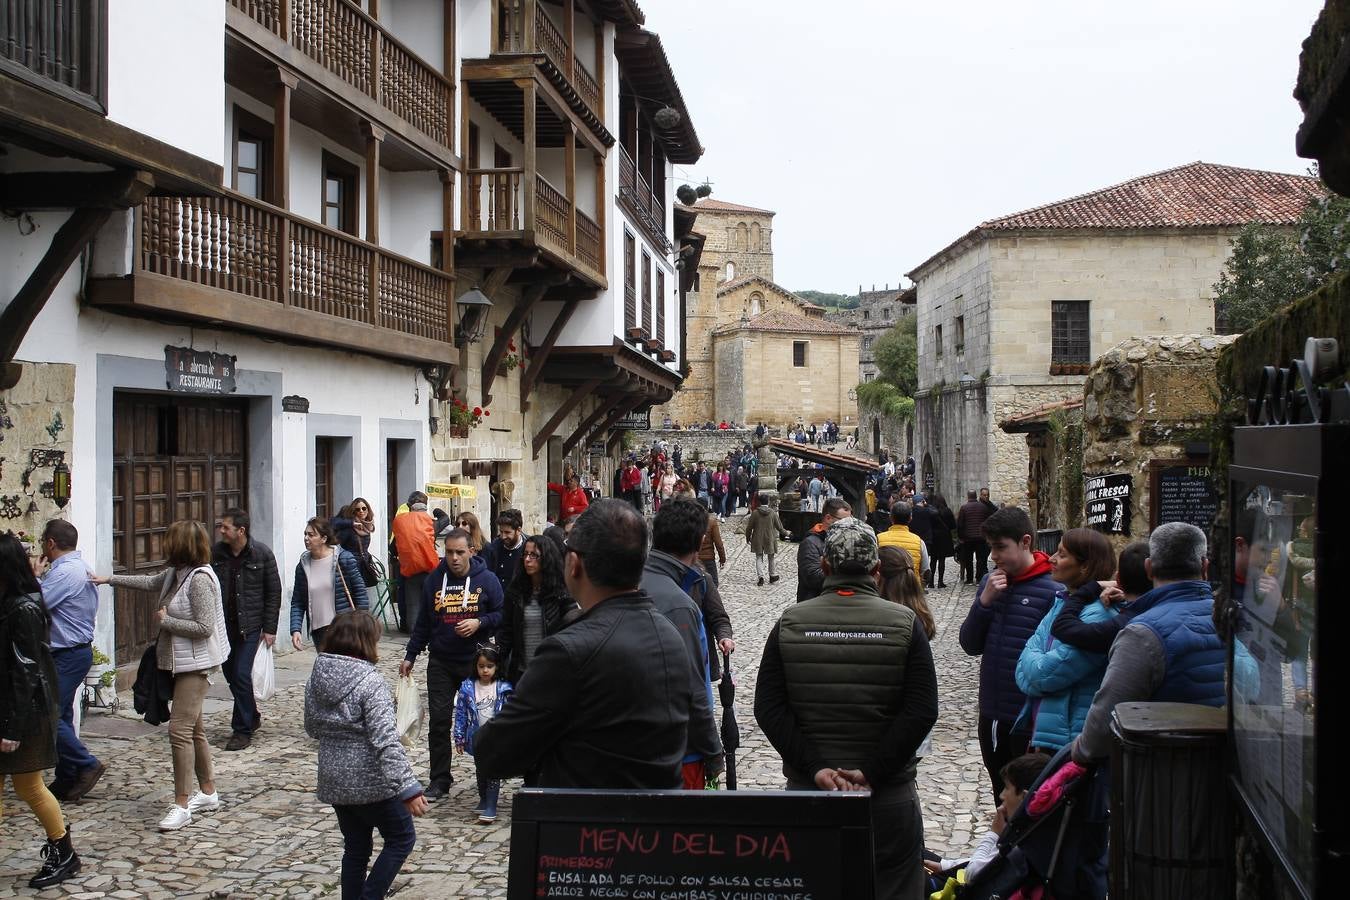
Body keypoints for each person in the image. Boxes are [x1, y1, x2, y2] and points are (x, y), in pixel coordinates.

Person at [755, 519, 939, 900]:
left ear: (824, 567)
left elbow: (769, 708)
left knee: (813, 886)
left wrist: (816, 767)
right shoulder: (904, 624)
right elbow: (922, 710)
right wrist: (873, 770)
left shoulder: (790, 623)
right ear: (876, 571)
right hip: (886, 794)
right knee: (894, 888)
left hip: (810, 792)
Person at [475, 500, 703, 788]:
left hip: (588, 821)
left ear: (574, 564)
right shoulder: (671, 635)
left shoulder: (569, 650)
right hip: (657, 818)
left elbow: (495, 752)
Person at [95, 520, 229, 831]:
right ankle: (208, 792)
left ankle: (181, 804)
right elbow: (151, 582)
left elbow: (204, 628)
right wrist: (109, 580)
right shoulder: (176, 573)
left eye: (169, 541)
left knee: (179, 731)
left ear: (181, 546)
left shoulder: (199, 580)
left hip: (196, 665)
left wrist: (167, 621)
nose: (164, 546)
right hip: (180, 662)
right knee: (194, 730)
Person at [1070, 522, 1227, 766]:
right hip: (1226, 773)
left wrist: (1079, 750)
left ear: (1149, 568)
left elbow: (1099, 733)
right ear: (1205, 567)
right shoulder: (1231, 620)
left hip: (1161, 779)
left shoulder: (1143, 634)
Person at [304, 611, 426, 899]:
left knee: (356, 847)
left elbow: (311, 727)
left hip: (334, 778)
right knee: (401, 838)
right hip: (371, 780)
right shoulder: (370, 682)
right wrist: (408, 787)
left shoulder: (316, 677)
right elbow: (386, 740)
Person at [958, 506, 1059, 803]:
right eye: (991, 548)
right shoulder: (990, 585)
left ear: (1025, 542)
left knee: (1032, 798)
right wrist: (984, 603)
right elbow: (969, 644)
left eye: (1001, 547)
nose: (994, 556)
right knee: (1001, 796)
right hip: (992, 712)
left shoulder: (1052, 590)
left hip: (1030, 717)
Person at [1, 531, 82, 888]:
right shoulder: (10, 602)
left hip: (26, 713)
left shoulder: (25, 608)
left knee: (30, 786)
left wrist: (13, 729)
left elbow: (26, 670)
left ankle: (64, 851)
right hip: (9, 708)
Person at [400, 529, 504, 800]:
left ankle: (486, 781)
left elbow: (502, 613)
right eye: (449, 552)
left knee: (483, 721)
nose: (454, 558)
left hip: (476, 660)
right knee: (439, 721)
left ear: (472, 551)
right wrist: (411, 655)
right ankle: (440, 779)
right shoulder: (435, 580)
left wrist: (479, 622)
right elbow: (423, 621)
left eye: (460, 552)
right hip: (442, 660)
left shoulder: (487, 579)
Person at [640, 500, 725, 789]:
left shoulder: (633, 580)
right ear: (700, 541)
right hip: (678, 750)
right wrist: (714, 751)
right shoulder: (678, 604)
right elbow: (693, 688)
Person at [1014, 529, 1118, 753]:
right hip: (1047, 729)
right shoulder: (1062, 601)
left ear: (1085, 566)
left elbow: (1045, 674)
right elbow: (1025, 656)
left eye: (1061, 554)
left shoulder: (1099, 615)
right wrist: (1032, 663)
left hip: (1070, 737)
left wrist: (1032, 665)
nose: (1051, 558)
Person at [34, 519, 105, 801]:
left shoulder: (67, 572)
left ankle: (87, 764)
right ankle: (67, 777)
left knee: (48, 714)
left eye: (44, 543)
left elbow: (39, 603)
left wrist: (36, 577)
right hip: (69, 652)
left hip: (68, 653)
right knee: (61, 713)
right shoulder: (77, 567)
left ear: (50, 543)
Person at [211, 508, 282, 752]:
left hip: (250, 626)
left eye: (226, 527)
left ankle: (241, 730)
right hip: (223, 627)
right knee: (232, 676)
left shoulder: (261, 554)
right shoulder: (216, 554)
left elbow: (273, 592)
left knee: (242, 674)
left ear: (241, 531)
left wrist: (270, 628)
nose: (221, 530)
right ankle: (251, 714)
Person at [924, 753, 1050, 883]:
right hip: (968, 874)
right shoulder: (1036, 828)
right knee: (917, 855)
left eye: (1007, 788)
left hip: (975, 888)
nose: (1002, 795)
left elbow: (973, 875)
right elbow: (985, 861)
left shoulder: (1024, 840)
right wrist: (946, 865)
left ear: (1024, 798)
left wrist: (994, 834)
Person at [497, 534, 572, 685]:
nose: (527, 559)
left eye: (534, 555)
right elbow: (506, 631)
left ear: (546, 558)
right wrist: (497, 662)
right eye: (525, 554)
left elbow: (571, 625)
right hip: (522, 672)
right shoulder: (516, 591)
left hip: (552, 671)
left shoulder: (560, 592)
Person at [1051, 540, 1151, 653]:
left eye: (1062, 554)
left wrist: (1093, 587)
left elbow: (1062, 627)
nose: (1050, 559)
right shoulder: (1167, 608)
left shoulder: (1123, 624)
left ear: (1118, 579)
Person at [290, 518, 369, 653]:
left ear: (324, 538)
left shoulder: (344, 559)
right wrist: (295, 629)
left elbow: (360, 592)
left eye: (311, 535)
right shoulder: (303, 565)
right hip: (318, 630)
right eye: (305, 534)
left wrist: (361, 625)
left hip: (343, 628)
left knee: (343, 669)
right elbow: (297, 601)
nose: (306, 538)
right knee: (327, 670)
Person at [453, 645, 514, 824]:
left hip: (496, 737)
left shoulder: (503, 689)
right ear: (476, 667)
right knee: (480, 769)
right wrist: (459, 736)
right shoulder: (468, 688)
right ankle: (484, 798)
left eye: (489, 666)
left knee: (493, 770)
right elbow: (461, 714)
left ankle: (491, 805)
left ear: (496, 667)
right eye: (481, 666)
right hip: (476, 736)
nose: (485, 670)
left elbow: (510, 714)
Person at [391, 492, 438, 634]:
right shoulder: (430, 521)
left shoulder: (400, 521)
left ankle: (412, 629)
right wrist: (437, 512)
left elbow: (393, 547)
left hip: (409, 569)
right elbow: (445, 518)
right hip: (430, 567)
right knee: (431, 600)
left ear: (409, 506)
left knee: (412, 602)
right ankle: (432, 628)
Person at [797, 498, 852, 603]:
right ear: (828, 518)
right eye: (844, 521)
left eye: (850, 520)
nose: (849, 525)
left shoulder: (846, 540)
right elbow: (813, 578)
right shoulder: (810, 543)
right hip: (814, 605)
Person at [879, 501, 931, 583]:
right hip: (911, 588)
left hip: (885, 589)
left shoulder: (878, 539)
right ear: (910, 518)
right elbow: (925, 570)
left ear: (890, 517)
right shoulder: (918, 542)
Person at [744, 493, 790, 587]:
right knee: (771, 557)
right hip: (770, 538)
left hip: (757, 538)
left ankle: (760, 577)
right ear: (768, 502)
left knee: (759, 557)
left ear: (760, 502)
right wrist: (788, 533)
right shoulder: (772, 513)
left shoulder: (755, 513)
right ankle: (772, 575)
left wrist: (748, 538)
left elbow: (749, 528)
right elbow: (779, 527)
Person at [333, 498, 377, 587]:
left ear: (368, 509)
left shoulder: (367, 526)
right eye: (358, 509)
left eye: (364, 508)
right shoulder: (349, 528)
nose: (361, 511)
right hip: (350, 567)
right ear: (354, 512)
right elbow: (335, 541)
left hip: (364, 565)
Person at [480, 509, 526, 594]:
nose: (503, 536)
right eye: (501, 532)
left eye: (507, 532)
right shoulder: (494, 547)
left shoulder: (527, 549)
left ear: (518, 530)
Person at [957, 490, 994, 584]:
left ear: (968, 496)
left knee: (968, 559)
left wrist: (960, 537)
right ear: (976, 496)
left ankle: (969, 578)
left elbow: (960, 524)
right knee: (980, 559)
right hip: (980, 537)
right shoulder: (983, 507)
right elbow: (987, 522)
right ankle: (978, 577)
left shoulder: (964, 508)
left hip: (968, 538)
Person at [696, 497, 728, 586]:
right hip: (708, 558)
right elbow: (718, 543)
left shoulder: (691, 521)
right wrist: (722, 558)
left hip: (695, 558)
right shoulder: (711, 522)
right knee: (714, 584)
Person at [928, 494, 957, 589]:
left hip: (934, 537)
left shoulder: (931, 512)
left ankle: (931, 581)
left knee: (933, 560)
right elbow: (953, 525)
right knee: (941, 559)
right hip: (944, 537)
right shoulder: (947, 511)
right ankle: (940, 581)